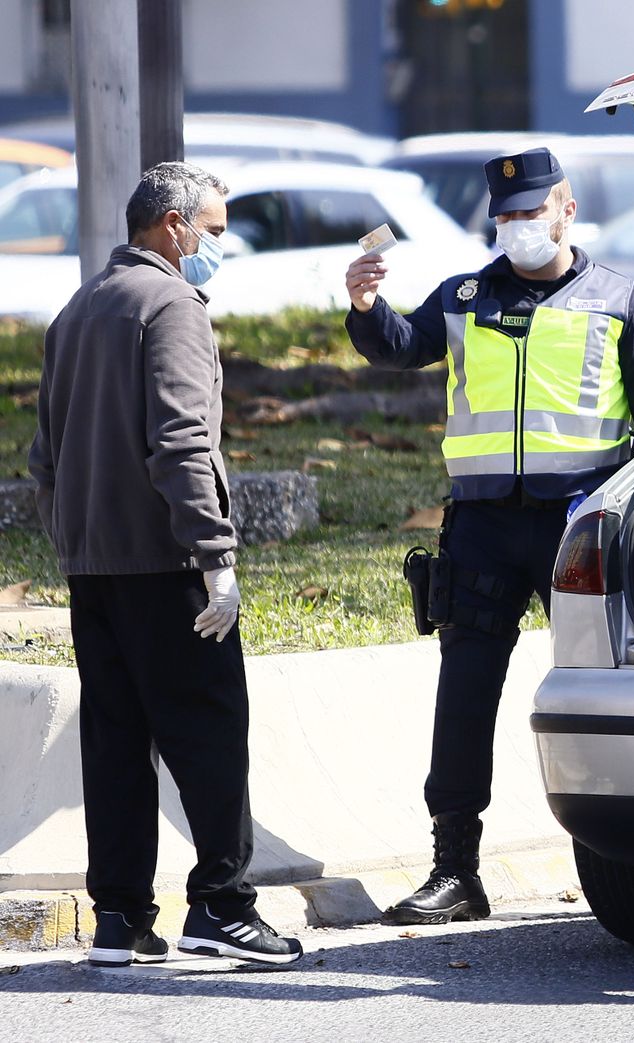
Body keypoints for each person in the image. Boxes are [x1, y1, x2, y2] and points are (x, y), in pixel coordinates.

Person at [344, 147, 634, 925]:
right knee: (463, 697)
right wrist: (367, 308)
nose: (518, 228)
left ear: (566, 207)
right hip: (484, 529)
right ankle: (454, 870)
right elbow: (401, 348)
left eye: (531, 212)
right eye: (506, 218)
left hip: (581, 529)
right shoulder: (466, 296)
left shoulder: (620, 300)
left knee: (608, 692)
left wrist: (623, 508)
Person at [28, 162, 303, 967]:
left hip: (95, 569)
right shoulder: (173, 304)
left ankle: (119, 918)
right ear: (173, 228)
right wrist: (216, 555)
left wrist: (75, 541)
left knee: (116, 742)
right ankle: (222, 904)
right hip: (168, 562)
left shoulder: (78, 309)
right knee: (211, 733)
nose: (222, 244)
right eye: (213, 230)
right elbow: (183, 442)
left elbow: (42, 459)